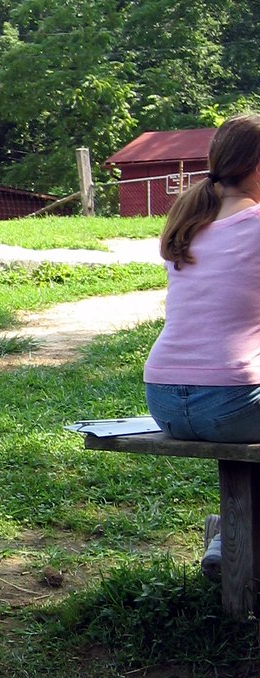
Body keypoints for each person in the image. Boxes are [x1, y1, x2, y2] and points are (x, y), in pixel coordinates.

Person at [144, 113, 260, 582]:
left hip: (165, 400)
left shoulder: (188, 225)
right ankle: (233, 537)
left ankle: (228, 534)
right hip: (229, 402)